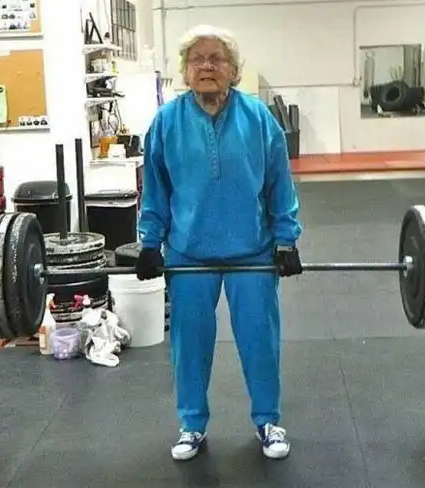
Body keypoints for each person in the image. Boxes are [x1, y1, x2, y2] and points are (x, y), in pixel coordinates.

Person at [135, 24, 303, 461]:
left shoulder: (258, 118)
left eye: (216, 59)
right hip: (189, 253)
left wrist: (286, 239)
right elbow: (155, 189)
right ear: (185, 71)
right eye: (197, 59)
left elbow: (280, 183)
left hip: (252, 251)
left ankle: (268, 421)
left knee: (260, 341)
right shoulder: (166, 122)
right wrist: (150, 242)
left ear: (233, 69)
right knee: (189, 344)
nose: (206, 66)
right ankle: (192, 425)